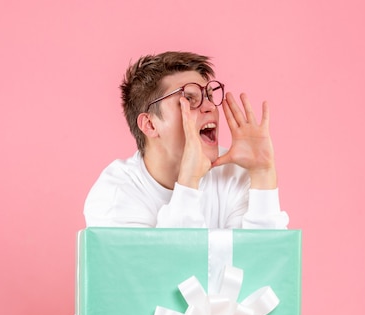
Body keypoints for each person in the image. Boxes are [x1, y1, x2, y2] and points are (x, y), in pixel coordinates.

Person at [83, 51, 289, 229]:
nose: (209, 107)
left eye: (209, 96)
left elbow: (263, 264)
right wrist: (188, 183)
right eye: (188, 100)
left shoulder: (234, 174)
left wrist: (263, 175)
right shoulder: (114, 196)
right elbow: (164, 271)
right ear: (150, 125)